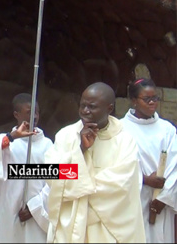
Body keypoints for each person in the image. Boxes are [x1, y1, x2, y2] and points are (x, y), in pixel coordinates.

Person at [44, 82, 145, 242]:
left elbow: (120, 184)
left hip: (107, 227)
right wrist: (80, 150)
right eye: (82, 105)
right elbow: (52, 173)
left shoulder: (124, 141)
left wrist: (80, 195)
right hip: (71, 226)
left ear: (109, 108)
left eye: (92, 107)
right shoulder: (66, 135)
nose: (85, 111)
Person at [0, 93, 53, 243]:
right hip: (9, 213)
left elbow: (55, 183)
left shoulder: (48, 146)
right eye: (29, 112)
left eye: (36, 112)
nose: (34, 116)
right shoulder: (6, 144)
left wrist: (35, 207)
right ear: (16, 115)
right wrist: (11, 137)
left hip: (37, 216)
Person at [120, 78, 177, 243]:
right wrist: (144, 179)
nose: (152, 102)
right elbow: (116, 165)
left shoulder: (167, 130)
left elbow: (175, 166)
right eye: (147, 99)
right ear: (133, 101)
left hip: (161, 201)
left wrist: (163, 198)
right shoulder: (120, 128)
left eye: (155, 98)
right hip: (133, 199)